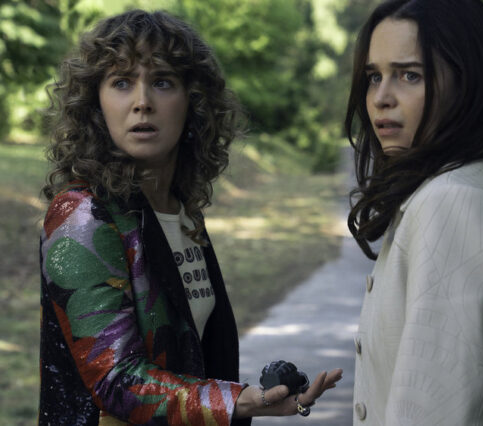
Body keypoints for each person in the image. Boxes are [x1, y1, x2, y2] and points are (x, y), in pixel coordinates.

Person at [39, 9, 342, 425]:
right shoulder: (82, 214)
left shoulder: (180, 213)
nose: (142, 102)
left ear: (192, 101)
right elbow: (115, 380)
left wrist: (259, 398)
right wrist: (239, 401)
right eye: (121, 82)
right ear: (96, 104)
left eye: (162, 82)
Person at [344, 0, 483, 424]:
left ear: (469, 84)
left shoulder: (452, 201)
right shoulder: (477, 185)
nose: (381, 98)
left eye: (409, 75)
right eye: (374, 76)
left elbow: (432, 408)